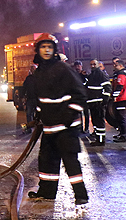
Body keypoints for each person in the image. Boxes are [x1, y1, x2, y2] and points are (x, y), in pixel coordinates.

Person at [28, 33, 89, 205]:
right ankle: (47, 192)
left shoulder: (63, 68)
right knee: (46, 160)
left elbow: (80, 95)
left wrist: (69, 116)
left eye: (49, 47)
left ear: (54, 49)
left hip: (66, 127)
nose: (46, 50)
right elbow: (42, 99)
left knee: (70, 161)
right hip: (49, 126)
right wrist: (40, 114)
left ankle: (81, 195)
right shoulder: (39, 72)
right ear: (37, 50)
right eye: (43, 47)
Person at [86, 59, 111, 146]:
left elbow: (107, 87)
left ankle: (100, 140)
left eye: (94, 64)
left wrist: (104, 101)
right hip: (93, 102)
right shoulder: (91, 75)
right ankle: (98, 138)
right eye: (91, 64)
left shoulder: (100, 74)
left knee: (99, 122)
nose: (92, 66)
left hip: (98, 102)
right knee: (95, 122)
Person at [73, 60, 90, 133]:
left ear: (81, 66)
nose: (77, 67)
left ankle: (86, 128)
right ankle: (80, 128)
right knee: (78, 114)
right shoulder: (74, 75)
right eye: (76, 66)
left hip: (85, 97)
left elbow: (87, 83)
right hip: (77, 97)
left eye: (79, 66)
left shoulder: (85, 74)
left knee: (86, 113)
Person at [23, 64, 37, 130]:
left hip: (36, 99)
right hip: (32, 98)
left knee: (30, 114)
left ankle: (33, 127)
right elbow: (24, 88)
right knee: (29, 113)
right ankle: (30, 127)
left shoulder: (39, 78)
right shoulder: (29, 78)